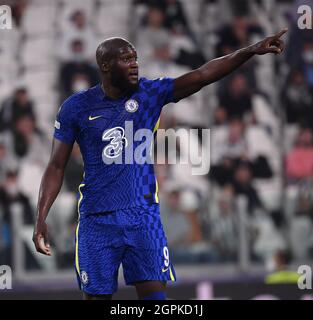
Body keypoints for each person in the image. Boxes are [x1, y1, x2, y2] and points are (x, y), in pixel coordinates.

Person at [33, 30, 287, 300]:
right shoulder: (76, 107)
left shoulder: (149, 93)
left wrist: (248, 50)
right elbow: (56, 166)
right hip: (97, 221)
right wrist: (40, 218)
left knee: (156, 301)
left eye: (136, 58)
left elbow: (202, 75)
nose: (135, 64)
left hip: (143, 216)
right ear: (105, 66)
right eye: (126, 59)